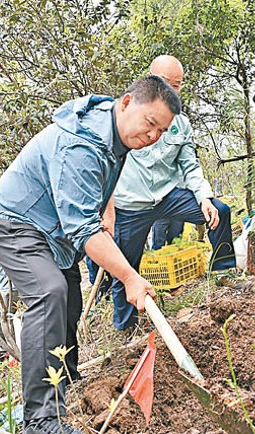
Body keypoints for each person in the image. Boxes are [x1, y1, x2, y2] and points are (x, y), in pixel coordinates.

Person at [0, 75, 180, 434]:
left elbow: (96, 190)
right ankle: (41, 421)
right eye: (151, 124)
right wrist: (131, 277)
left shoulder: (114, 131)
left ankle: (66, 382)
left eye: (162, 131)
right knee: (48, 293)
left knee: (69, 301)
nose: (153, 137)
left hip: (51, 231)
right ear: (126, 103)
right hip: (13, 221)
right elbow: (82, 228)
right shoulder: (80, 144)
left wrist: (107, 207)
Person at [88, 55, 236, 331]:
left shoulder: (181, 124)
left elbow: (189, 164)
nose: (172, 90)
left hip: (168, 198)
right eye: (167, 83)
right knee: (126, 269)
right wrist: (106, 209)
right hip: (130, 206)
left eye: (177, 85)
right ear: (151, 81)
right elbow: (105, 164)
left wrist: (204, 197)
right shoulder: (130, 115)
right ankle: (126, 328)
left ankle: (223, 274)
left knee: (220, 211)